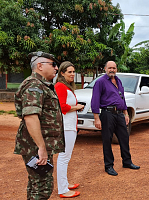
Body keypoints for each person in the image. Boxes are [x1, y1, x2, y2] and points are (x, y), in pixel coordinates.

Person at [14, 51, 65, 199]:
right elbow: (30, 116)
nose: (56, 68)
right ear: (40, 66)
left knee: (37, 184)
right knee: (42, 187)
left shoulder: (42, 85)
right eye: (53, 64)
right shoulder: (34, 85)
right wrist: (41, 148)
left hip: (40, 145)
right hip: (36, 146)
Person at [91, 61, 140, 176]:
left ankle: (127, 162)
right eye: (110, 68)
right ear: (105, 69)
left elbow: (122, 99)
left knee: (124, 138)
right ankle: (109, 166)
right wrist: (96, 118)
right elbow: (95, 101)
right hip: (107, 114)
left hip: (119, 114)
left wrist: (126, 114)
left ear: (116, 69)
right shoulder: (100, 82)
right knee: (107, 140)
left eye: (114, 68)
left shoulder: (118, 81)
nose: (112, 70)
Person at [55, 61, 84, 198]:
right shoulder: (60, 86)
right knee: (64, 157)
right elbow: (62, 107)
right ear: (62, 73)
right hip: (66, 126)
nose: (72, 74)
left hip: (70, 125)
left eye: (73, 72)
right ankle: (63, 190)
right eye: (69, 72)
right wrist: (77, 107)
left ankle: (64, 184)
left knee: (65, 157)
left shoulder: (66, 87)